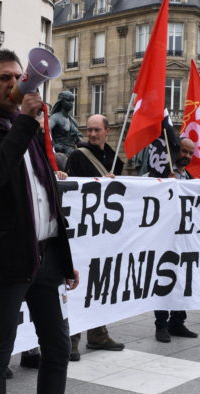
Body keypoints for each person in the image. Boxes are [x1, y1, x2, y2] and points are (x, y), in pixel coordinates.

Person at [0, 49, 79, 394]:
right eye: (4, 78)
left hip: (47, 255)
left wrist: (64, 260)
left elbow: (46, 196)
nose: (14, 84)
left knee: (57, 347)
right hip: (5, 257)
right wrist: (25, 122)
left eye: (17, 77)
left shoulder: (30, 130)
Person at [64, 114, 125, 361]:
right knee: (79, 286)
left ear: (107, 131)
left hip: (105, 231)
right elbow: (74, 189)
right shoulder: (78, 156)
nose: (91, 134)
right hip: (83, 231)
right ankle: (71, 340)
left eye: (96, 130)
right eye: (88, 130)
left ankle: (99, 333)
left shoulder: (114, 158)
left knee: (101, 284)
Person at [153, 137, 199, 342]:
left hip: (185, 239)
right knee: (164, 279)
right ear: (175, 150)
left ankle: (178, 322)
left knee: (183, 280)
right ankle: (161, 325)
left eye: (190, 153)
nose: (187, 156)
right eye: (183, 151)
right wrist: (162, 184)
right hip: (164, 239)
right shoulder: (159, 173)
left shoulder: (188, 177)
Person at [48, 91, 81, 155]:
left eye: (72, 101)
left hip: (72, 153)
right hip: (60, 154)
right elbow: (46, 131)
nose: (71, 103)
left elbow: (78, 139)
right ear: (61, 101)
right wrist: (54, 145)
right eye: (68, 100)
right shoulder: (55, 117)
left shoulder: (73, 121)